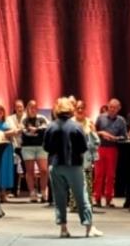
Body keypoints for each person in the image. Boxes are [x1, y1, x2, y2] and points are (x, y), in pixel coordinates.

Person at [44, 96, 104, 238]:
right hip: (74, 165)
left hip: (56, 165)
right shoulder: (77, 126)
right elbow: (83, 147)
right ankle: (89, 228)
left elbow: (46, 147)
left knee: (60, 198)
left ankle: (63, 229)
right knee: (81, 196)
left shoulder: (50, 126)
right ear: (70, 109)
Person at [93, 98, 128, 207]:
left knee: (110, 175)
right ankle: (97, 198)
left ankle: (109, 198)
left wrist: (115, 138)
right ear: (108, 107)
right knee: (98, 174)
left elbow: (125, 137)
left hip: (113, 149)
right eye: (110, 107)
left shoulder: (121, 120)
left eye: (114, 108)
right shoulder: (100, 118)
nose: (112, 109)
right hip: (100, 148)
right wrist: (102, 133)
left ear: (119, 109)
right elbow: (93, 132)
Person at [73, 98, 100, 213]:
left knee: (87, 179)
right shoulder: (71, 122)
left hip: (87, 155)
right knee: (74, 180)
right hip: (73, 155)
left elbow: (96, 139)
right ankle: (74, 204)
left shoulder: (89, 122)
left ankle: (87, 202)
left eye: (82, 108)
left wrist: (93, 132)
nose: (80, 110)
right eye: (77, 108)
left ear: (85, 110)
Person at [20, 99, 50, 202]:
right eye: (31, 107)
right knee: (30, 171)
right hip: (28, 147)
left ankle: (43, 191)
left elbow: (47, 128)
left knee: (44, 170)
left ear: (37, 108)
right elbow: (24, 132)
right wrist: (35, 132)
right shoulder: (24, 120)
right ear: (27, 108)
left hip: (41, 147)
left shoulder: (42, 118)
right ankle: (32, 193)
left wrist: (36, 130)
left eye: (34, 107)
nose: (33, 109)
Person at [0, 102, 19, 205]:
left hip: (7, 149)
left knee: (5, 170)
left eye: (1, 110)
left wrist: (1, 134)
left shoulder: (8, 121)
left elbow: (15, 131)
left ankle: (4, 193)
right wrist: (6, 133)